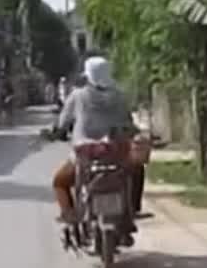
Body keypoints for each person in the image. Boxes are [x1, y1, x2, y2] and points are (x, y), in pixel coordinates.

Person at [52, 56, 141, 244]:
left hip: (86, 155)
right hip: (116, 154)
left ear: (88, 76)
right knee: (137, 171)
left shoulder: (77, 95)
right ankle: (132, 212)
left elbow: (63, 123)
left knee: (59, 181)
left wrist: (58, 132)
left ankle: (70, 218)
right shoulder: (119, 96)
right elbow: (128, 123)